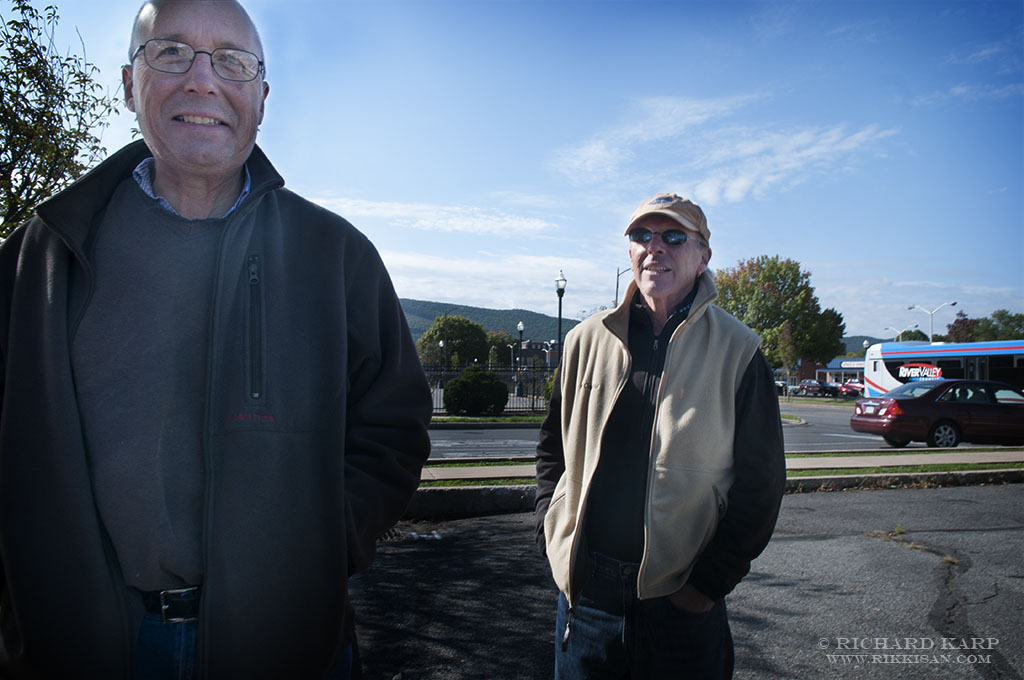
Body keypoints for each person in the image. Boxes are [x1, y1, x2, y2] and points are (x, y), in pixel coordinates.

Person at [0, 1, 431, 677]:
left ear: (261, 96)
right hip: (81, 647)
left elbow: (395, 429)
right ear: (127, 83)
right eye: (170, 52)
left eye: (232, 61)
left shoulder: (337, 256)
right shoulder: (40, 260)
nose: (202, 80)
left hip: (285, 647)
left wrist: (321, 551)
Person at [535, 193, 786, 678]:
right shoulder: (584, 341)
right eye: (641, 236)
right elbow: (552, 447)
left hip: (681, 603)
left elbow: (762, 486)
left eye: (674, 237)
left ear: (703, 256)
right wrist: (549, 526)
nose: (656, 248)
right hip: (586, 596)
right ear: (629, 251)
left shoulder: (739, 350)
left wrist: (704, 589)